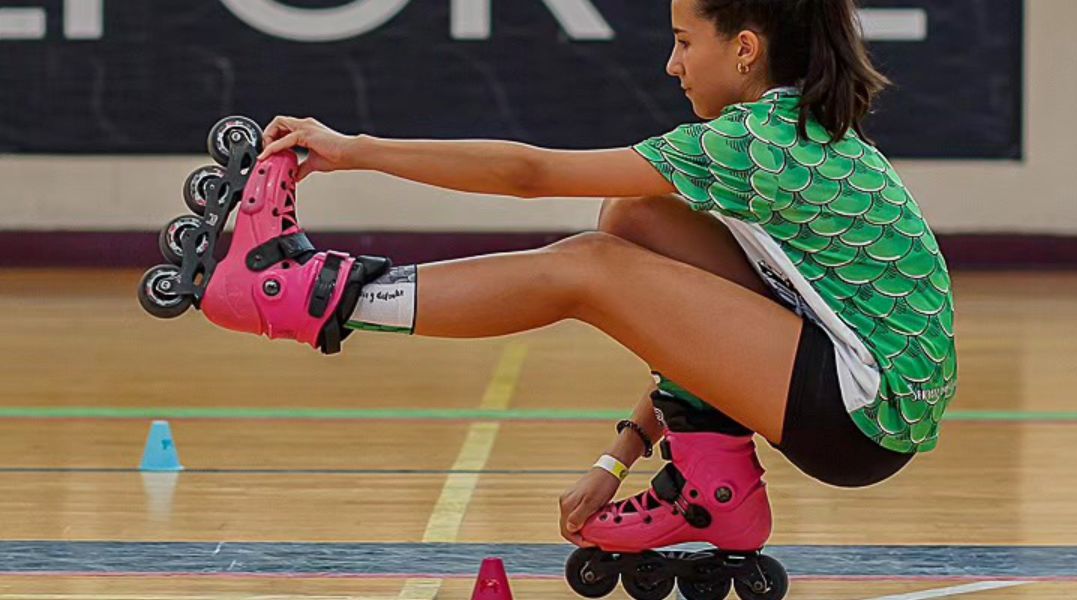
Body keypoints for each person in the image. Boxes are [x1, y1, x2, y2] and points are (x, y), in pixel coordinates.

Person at [246, 0, 957, 555]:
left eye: (683, 41)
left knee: (589, 267)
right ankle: (712, 491)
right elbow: (698, 330)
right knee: (636, 218)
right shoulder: (793, 125)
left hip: (862, 415)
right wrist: (619, 457)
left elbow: (529, 174)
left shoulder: (750, 142)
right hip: (869, 395)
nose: (671, 66)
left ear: (744, 50)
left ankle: (328, 297)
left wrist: (353, 150)